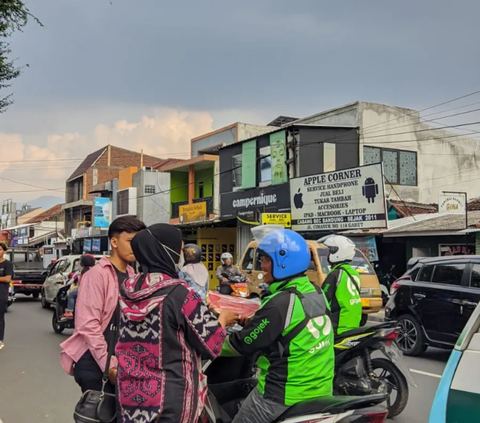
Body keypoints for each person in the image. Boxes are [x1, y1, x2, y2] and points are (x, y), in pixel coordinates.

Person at [116, 223, 238, 423]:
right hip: (171, 397)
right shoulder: (179, 294)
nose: (181, 254)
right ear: (167, 251)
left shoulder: (127, 289)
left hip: (129, 392)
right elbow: (212, 343)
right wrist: (223, 319)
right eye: (179, 249)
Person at [221, 226, 334, 423]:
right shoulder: (315, 292)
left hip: (283, 395)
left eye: (265, 259)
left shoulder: (280, 303)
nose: (262, 266)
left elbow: (242, 344)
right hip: (322, 390)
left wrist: (212, 336)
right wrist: (259, 320)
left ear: (283, 262)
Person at [60, 216, 146, 394]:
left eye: (139, 241)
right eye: (130, 241)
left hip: (123, 363)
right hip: (96, 363)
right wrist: (109, 365)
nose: (135, 246)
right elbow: (88, 325)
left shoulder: (132, 274)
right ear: (114, 242)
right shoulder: (97, 275)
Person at [318, 235, 362, 336]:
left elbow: (322, 300)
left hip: (338, 328)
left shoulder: (335, 275)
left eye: (329, 251)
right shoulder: (354, 273)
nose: (327, 255)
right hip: (353, 324)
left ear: (337, 252)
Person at [62, 254, 96, 319]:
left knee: (71, 294)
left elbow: (70, 281)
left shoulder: (79, 272)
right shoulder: (97, 271)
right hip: (95, 292)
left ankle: (70, 311)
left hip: (82, 291)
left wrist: (65, 282)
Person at [0, 243, 14, 350]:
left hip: (1, 294)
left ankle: (0, 340)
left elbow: (7, 279)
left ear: (4, 252)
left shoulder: (7, 264)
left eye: (0, 249)